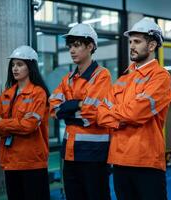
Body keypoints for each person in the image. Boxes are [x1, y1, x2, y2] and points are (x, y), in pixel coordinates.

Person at [97, 18, 171, 200]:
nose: (132, 46)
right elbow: (100, 114)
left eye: (137, 42)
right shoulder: (123, 79)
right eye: (130, 41)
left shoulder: (160, 77)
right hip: (119, 160)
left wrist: (117, 114)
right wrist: (124, 115)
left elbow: (135, 113)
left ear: (152, 45)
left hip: (146, 162)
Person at [49, 23, 112, 200]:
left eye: (76, 45)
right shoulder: (68, 78)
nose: (71, 50)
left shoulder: (102, 75)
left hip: (94, 153)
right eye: (70, 46)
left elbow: (91, 115)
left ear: (90, 46)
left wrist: (67, 110)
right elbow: (53, 109)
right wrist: (77, 105)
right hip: (69, 152)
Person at [0, 45, 51, 200]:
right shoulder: (6, 94)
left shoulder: (39, 94)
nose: (15, 69)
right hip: (10, 161)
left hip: (32, 162)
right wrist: (17, 124)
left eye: (20, 64)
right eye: (13, 65)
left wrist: (3, 122)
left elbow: (29, 126)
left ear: (30, 67)